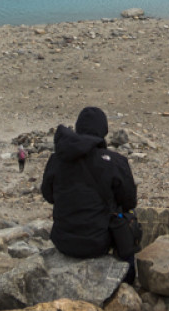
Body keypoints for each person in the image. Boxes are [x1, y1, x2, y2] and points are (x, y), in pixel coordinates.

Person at [41, 106, 137, 264]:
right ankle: (129, 275)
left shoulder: (57, 159)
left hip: (63, 242)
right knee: (127, 220)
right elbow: (129, 202)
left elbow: (48, 195)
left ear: (78, 128)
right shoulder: (115, 162)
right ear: (103, 130)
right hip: (99, 244)